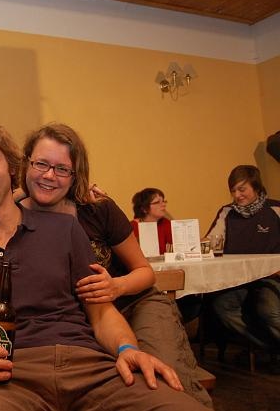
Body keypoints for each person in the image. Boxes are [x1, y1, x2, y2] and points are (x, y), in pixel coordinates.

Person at [0, 120, 210, 411]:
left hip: (88, 367)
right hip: (3, 378)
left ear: (11, 166)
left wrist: (127, 348)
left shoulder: (66, 229)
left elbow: (100, 314)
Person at [16, 123, 211, 407]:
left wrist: (115, 286)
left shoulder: (97, 209)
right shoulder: (14, 216)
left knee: (165, 375)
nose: (49, 175)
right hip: (86, 322)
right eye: (41, 164)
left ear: (75, 175)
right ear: (27, 164)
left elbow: (145, 272)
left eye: (62, 169)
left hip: (134, 303)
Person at [206, 165, 280, 350]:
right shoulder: (227, 212)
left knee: (268, 310)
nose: (237, 195)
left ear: (256, 187)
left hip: (271, 277)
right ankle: (270, 347)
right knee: (223, 306)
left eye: (242, 189)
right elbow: (211, 241)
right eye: (233, 191)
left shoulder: (275, 209)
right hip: (238, 279)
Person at [130, 188, 173, 255]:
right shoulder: (131, 227)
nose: (163, 205)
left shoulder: (166, 223)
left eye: (163, 201)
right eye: (157, 202)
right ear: (144, 209)